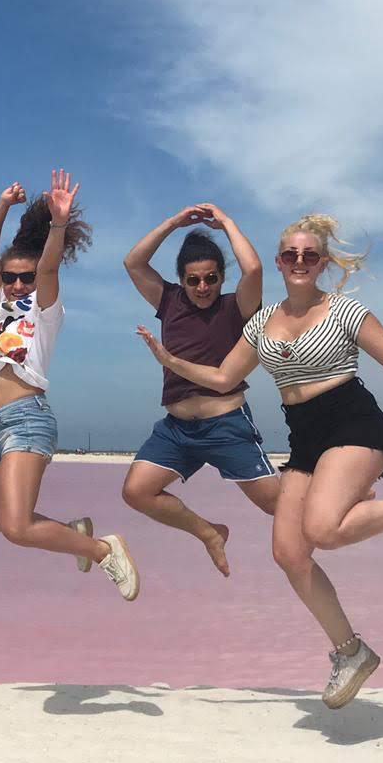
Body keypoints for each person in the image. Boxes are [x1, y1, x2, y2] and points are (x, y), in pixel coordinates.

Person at [136, 214, 383, 707]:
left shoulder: (345, 312)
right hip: (304, 439)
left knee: (323, 530)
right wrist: (170, 362)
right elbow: (221, 378)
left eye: (309, 255)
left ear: (322, 263)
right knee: (289, 552)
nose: (299, 262)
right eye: (290, 255)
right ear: (281, 262)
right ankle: (351, 651)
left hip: (352, 423)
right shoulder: (261, 322)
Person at [0, 171, 138, 596]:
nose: (19, 284)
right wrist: (3, 204)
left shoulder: (41, 310)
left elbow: (47, 265)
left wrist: (58, 224)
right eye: (11, 278)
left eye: (25, 278)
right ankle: (74, 533)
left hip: (27, 420)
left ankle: (103, 550)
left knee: (18, 527)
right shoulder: (0, 307)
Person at [122, 204, 275, 576]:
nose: (203, 287)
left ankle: (344, 498)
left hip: (226, 425)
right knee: (137, 491)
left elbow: (253, 269)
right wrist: (173, 222)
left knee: (280, 506)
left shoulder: (236, 307)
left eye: (211, 278)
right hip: (177, 428)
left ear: (222, 277)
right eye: (193, 280)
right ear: (182, 280)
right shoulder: (169, 301)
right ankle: (209, 533)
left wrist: (226, 222)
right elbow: (133, 263)